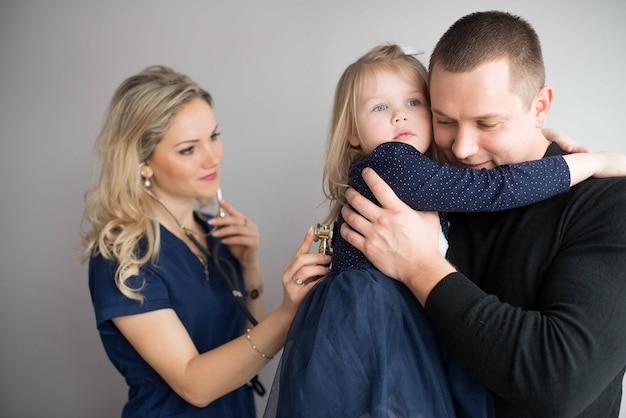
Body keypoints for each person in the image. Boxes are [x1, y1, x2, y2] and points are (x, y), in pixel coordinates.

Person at [264, 44, 626, 418]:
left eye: (487, 122)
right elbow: (490, 189)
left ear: (538, 107)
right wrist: (588, 161)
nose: (463, 147)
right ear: (353, 133)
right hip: (369, 319)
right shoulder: (399, 165)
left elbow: (559, 381)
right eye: (447, 121)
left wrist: (553, 148)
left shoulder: (607, 205)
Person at [79, 65, 329, 417]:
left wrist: (249, 265)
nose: (213, 157)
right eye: (188, 149)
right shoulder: (122, 255)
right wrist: (289, 313)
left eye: (214, 136)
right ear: (142, 162)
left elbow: (247, 345)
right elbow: (194, 385)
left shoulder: (216, 231)